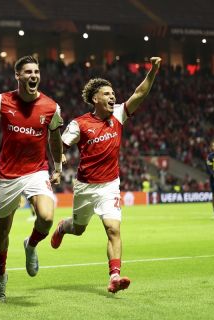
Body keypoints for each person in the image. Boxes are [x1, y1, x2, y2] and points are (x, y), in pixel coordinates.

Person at [50, 57, 161, 294]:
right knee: (78, 229)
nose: (113, 97)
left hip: (110, 185)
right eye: (107, 94)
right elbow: (60, 145)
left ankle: (114, 276)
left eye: (113, 93)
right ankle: (62, 227)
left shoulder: (119, 114)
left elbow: (140, 94)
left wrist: (153, 71)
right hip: (85, 187)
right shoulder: (79, 124)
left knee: (113, 229)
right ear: (95, 99)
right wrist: (59, 158)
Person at [0, 55, 63, 302]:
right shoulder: (1, 101)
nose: (33, 75)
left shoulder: (51, 107)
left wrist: (57, 167)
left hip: (36, 171)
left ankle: (31, 245)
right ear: (17, 75)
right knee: (2, 231)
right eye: (28, 72)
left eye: (36, 71)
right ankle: (1, 278)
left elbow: (54, 138)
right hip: (7, 175)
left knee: (46, 218)